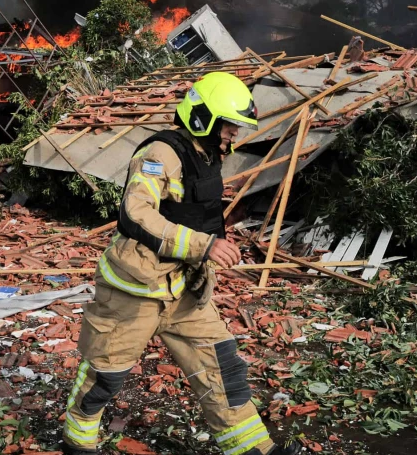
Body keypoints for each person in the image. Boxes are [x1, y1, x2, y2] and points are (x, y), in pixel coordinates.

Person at [63, 72, 299, 455]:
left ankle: (254, 450)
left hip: (184, 290)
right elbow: (135, 213)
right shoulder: (159, 155)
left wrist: (212, 244)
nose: (233, 135)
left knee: (223, 368)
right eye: (229, 126)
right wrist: (204, 245)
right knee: (105, 374)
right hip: (135, 289)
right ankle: (77, 442)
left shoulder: (206, 157)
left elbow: (194, 212)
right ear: (203, 117)